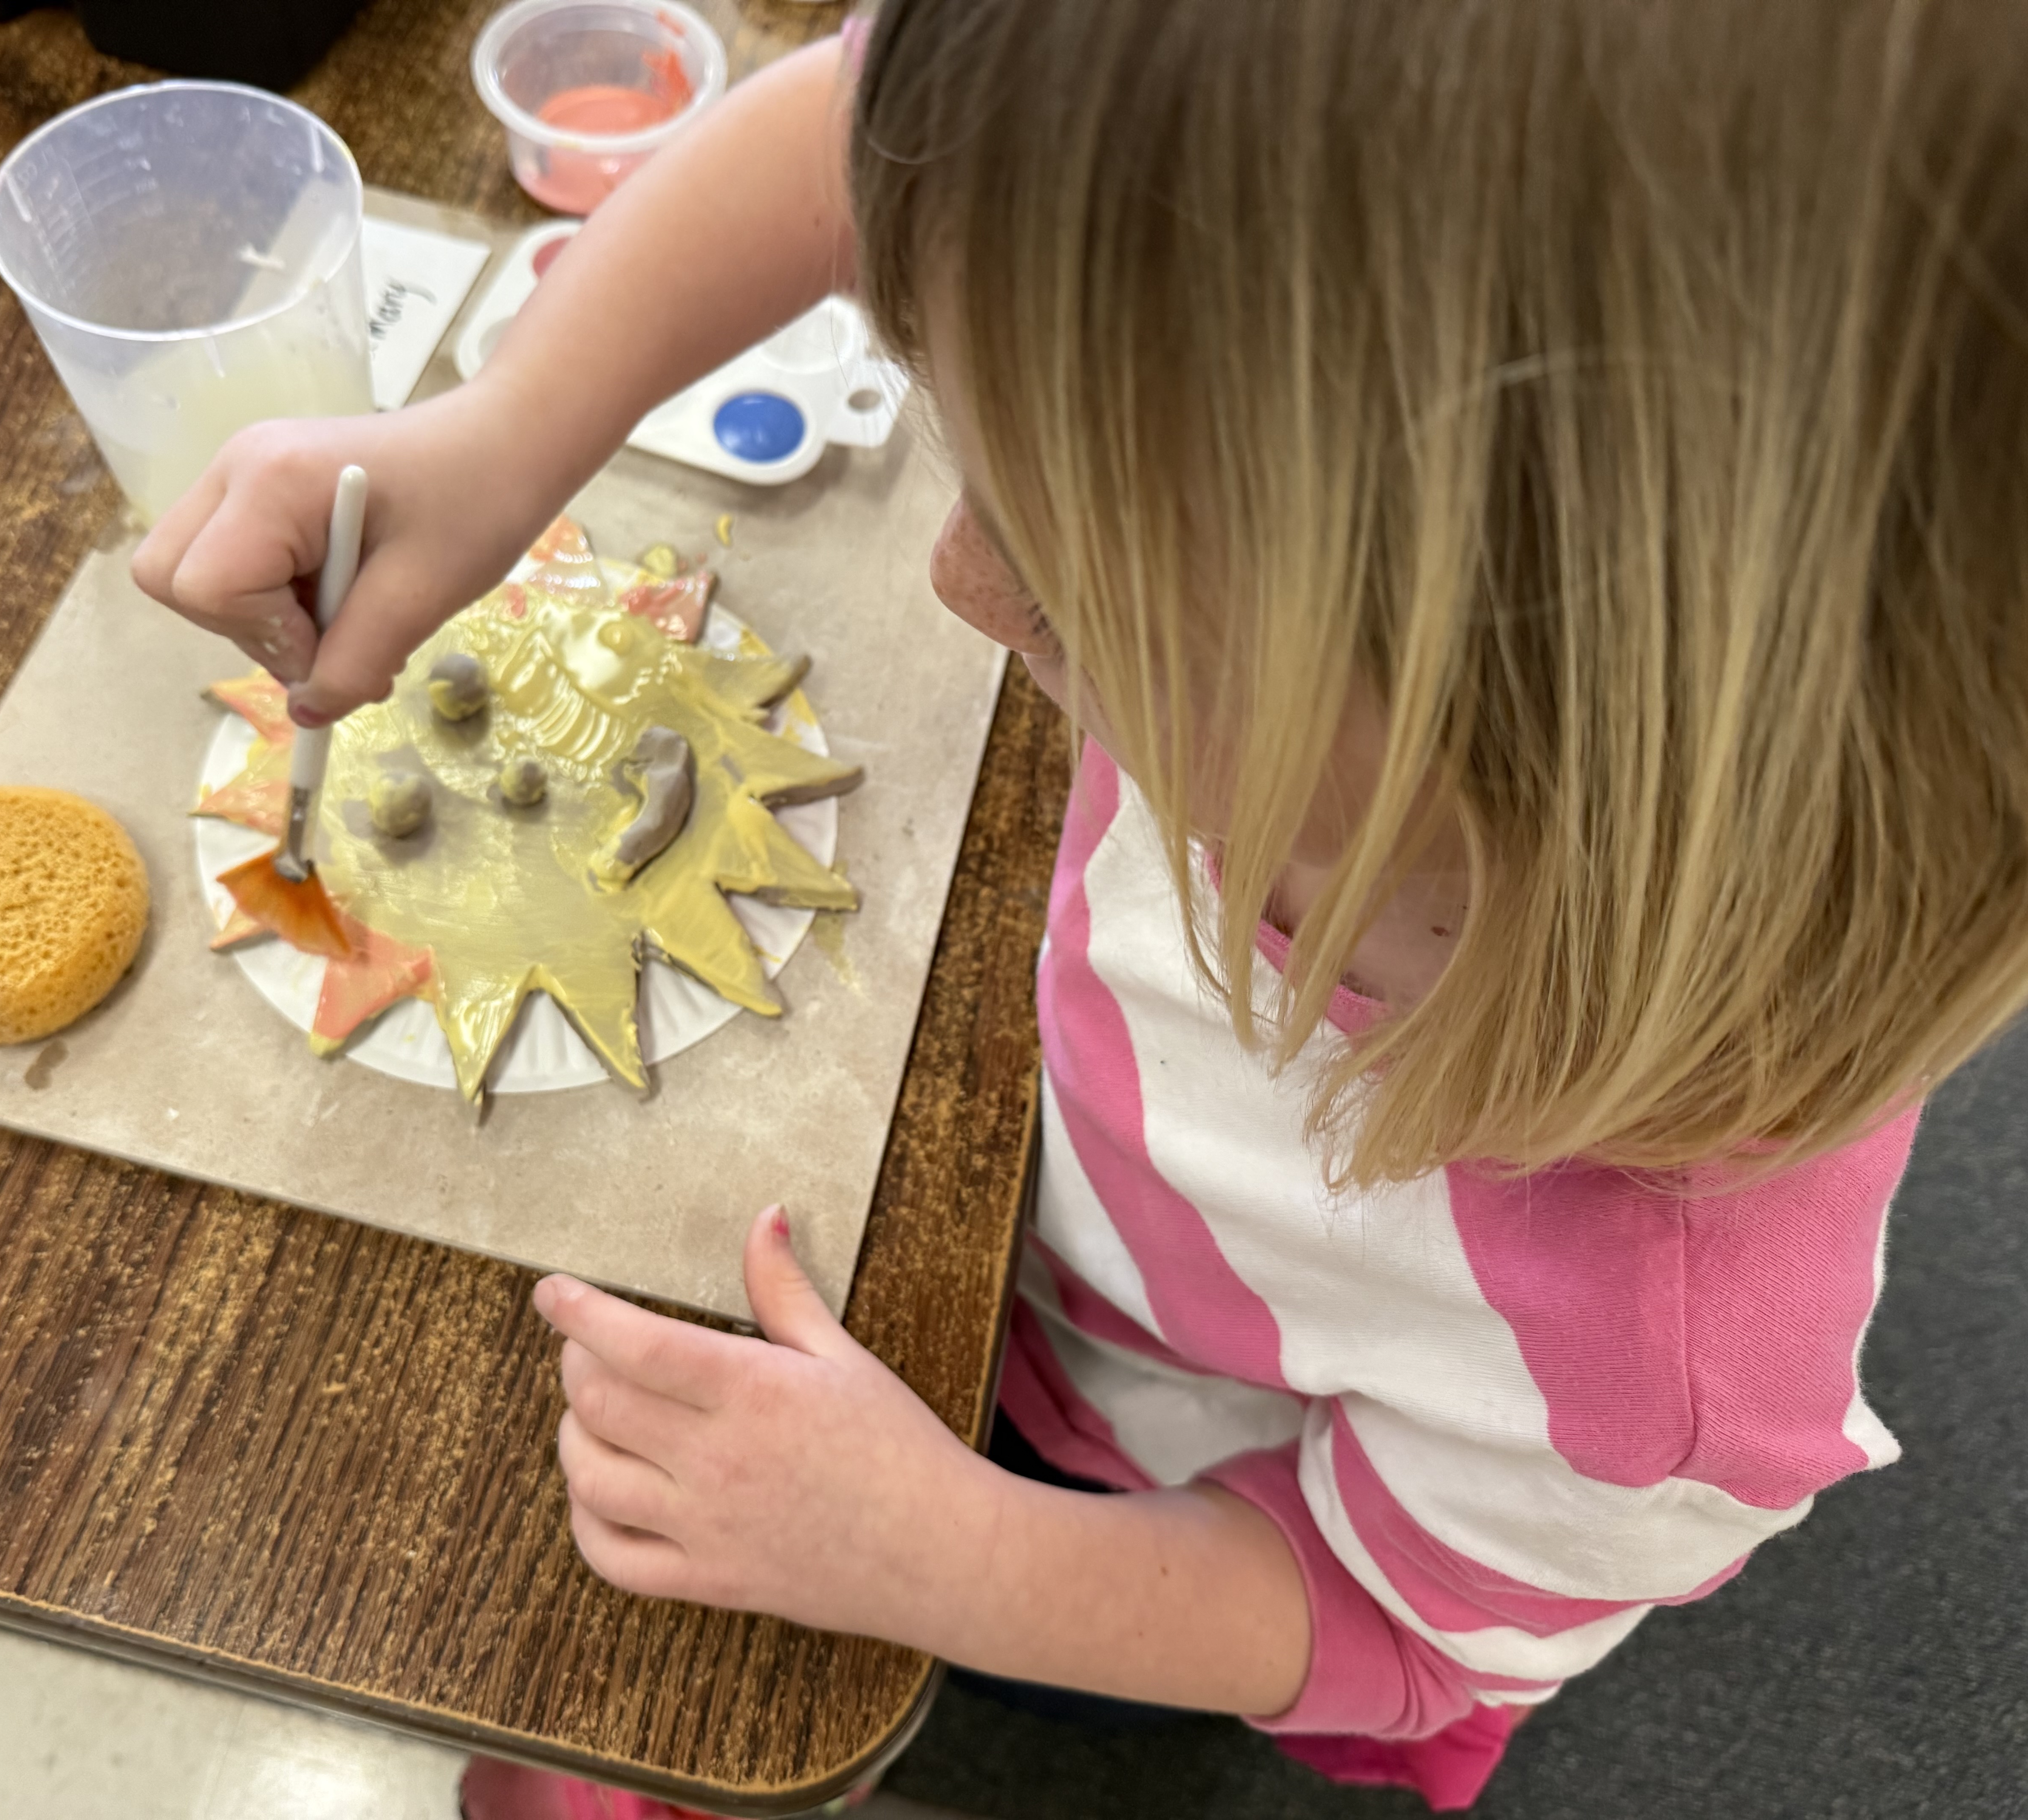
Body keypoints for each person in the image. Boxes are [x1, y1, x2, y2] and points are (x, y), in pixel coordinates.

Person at [133, 2, 2028, 1811]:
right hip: (1047, 1189)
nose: (960, 585)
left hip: (1137, 1485)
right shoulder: (1389, 731)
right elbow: (861, 136)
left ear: (1537, 751)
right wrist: (503, 430)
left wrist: (938, 1553)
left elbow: (1389, 1623)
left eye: (1068, 573)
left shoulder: (1653, 1373)